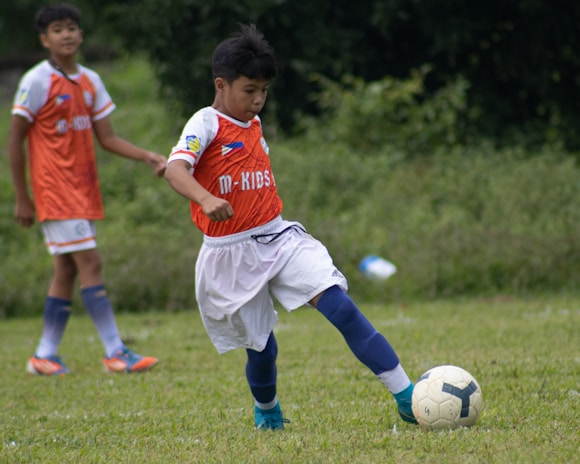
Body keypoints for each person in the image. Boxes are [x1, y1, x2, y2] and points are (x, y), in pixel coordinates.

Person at [164, 23, 417, 429]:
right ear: (221, 84)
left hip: (278, 238)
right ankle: (267, 411)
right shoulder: (205, 123)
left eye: (264, 90)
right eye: (250, 90)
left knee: (341, 306)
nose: (259, 100)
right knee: (261, 349)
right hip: (229, 254)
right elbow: (176, 169)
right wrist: (206, 198)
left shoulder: (255, 124)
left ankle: (407, 396)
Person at [8, 3, 166, 376]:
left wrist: (146, 156)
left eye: (71, 28)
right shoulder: (36, 80)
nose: (66, 34)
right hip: (54, 190)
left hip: (84, 190)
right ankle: (115, 351)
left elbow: (107, 138)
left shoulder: (91, 80)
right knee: (90, 262)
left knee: (66, 270)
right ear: (44, 39)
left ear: (80, 35)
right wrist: (22, 196)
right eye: (57, 29)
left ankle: (44, 355)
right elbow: (15, 141)